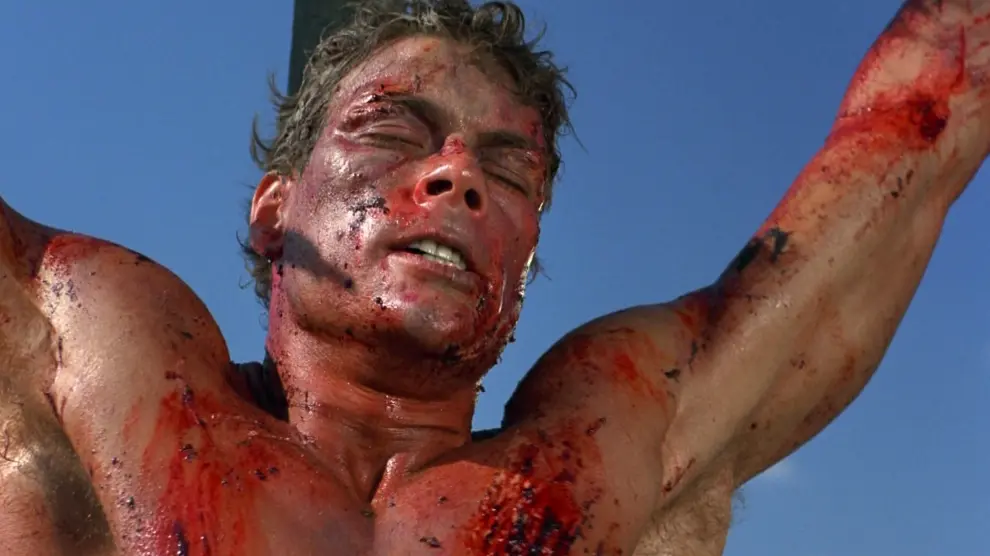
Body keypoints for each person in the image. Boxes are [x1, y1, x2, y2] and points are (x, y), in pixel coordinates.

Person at [1, 0, 986, 554]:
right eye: (394, 130)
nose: (458, 175)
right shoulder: (102, 362)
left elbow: (921, 125)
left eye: (510, 173)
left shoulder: (615, 446)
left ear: (524, 261)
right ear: (273, 208)